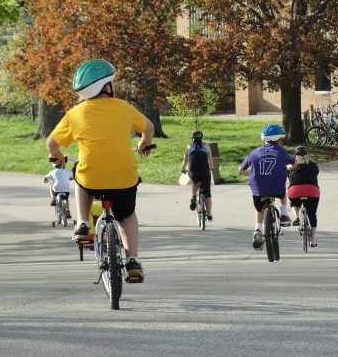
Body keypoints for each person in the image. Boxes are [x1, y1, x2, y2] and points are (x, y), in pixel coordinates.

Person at [46, 59, 155, 278]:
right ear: (106, 86)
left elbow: (52, 142)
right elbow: (149, 127)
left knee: (80, 175)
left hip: (93, 178)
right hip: (123, 179)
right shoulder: (124, 108)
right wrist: (144, 143)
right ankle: (132, 260)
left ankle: (83, 224)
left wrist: (56, 156)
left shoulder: (75, 114)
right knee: (126, 216)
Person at [238, 124, 296, 251]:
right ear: (279, 140)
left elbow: (241, 169)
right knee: (283, 192)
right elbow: (293, 162)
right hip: (276, 187)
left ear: (264, 139)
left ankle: (257, 230)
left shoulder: (255, 152)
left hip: (258, 189)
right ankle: (284, 215)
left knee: (259, 210)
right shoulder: (280, 151)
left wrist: (251, 174)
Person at [287, 146, 320, 247]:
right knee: (312, 214)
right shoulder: (313, 164)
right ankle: (312, 240)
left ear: (295, 155)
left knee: (294, 203)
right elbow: (315, 176)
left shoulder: (291, 165)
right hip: (312, 190)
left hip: (295, 190)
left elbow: (290, 180)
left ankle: (297, 217)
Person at [181, 130, 214, 221]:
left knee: (195, 181)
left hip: (193, 171)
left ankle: (193, 197)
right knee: (207, 194)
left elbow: (185, 160)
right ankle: (209, 215)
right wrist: (212, 168)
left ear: (192, 138)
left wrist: (183, 169)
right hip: (205, 171)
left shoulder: (189, 146)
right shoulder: (206, 146)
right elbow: (210, 160)